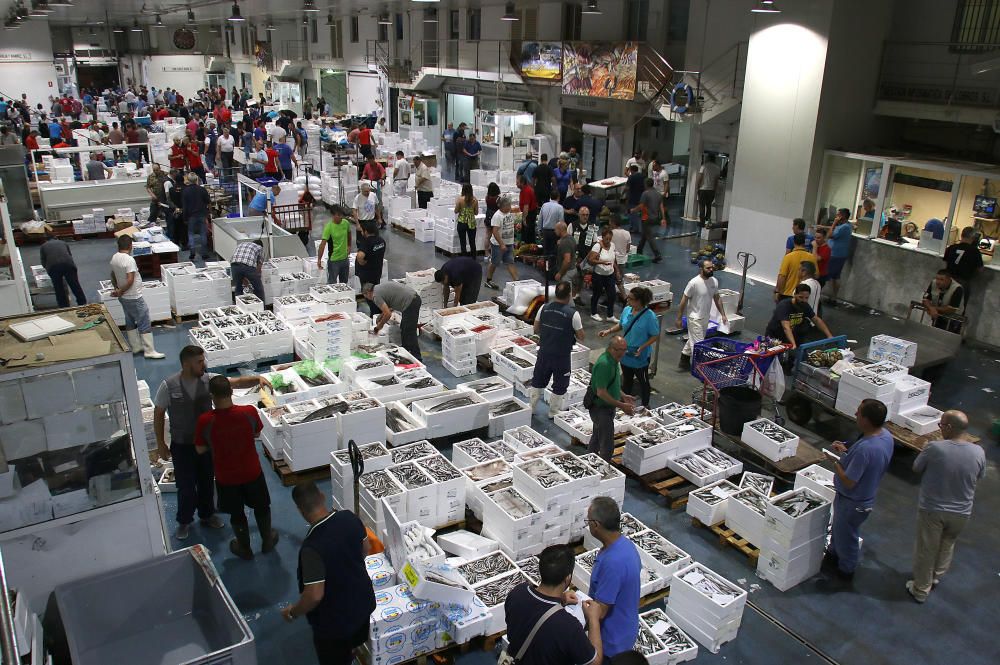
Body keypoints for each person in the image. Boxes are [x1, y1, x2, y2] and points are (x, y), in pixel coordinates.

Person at [153, 345, 268, 540]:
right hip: (182, 446)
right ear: (186, 364)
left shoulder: (209, 380)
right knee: (186, 486)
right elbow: (158, 413)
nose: (203, 364)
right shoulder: (168, 385)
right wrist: (161, 443)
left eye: (203, 360)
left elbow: (234, 382)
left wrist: (256, 379)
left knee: (207, 481)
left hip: (207, 445)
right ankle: (184, 521)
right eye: (199, 361)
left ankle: (207, 515)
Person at [283, 482, 376, 665]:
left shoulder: (311, 549)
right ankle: (352, 651)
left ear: (300, 510)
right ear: (322, 497)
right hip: (363, 605)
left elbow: (315, 595)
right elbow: (366, 548)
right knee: (355, 641)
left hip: (336, 626)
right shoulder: (349, 518)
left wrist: (293, 612)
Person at [194, 376, 278, 559]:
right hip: (252, 472)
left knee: (236, 512)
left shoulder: (205, 421)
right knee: (262, 507)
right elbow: (256, 431)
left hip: (226, 477)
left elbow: (200, 449)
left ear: (211, 396)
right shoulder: (248, 412)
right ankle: (267, 540)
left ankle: (244, 547)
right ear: (231, 392)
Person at [906, 410, 985, 604]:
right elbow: (980, 475)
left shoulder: (935, 448)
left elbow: (917, 467)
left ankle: (920, 590)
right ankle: (935, 576)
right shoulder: (978, 451)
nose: (939, 429)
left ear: (949, 427)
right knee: (947, 544)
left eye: (941, 425)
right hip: (962, 511)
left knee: (927, 549)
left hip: (934, 509)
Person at [825, 399, 894, 581]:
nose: (855, 414)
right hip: (861, 497)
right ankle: (833, 554)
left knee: (847, 537)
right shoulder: (885, 436)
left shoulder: (866, 448)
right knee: (840, 531)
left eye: (859, 412)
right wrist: (847, 452)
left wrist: (834, 461)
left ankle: (845, 571)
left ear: (867, 420)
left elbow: (849, 481)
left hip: (853, 501)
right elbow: (865, 463)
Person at [504, 545, 603, 665]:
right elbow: (595, 662)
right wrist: (593, 619)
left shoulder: (517, 593)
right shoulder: (569, 626)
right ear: (568, 579)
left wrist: (560, 598)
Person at [586, 496, 642, 659]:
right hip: (626, 629)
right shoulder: (626, 545)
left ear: (595, 525)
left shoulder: (612, 563)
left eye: (588, 520)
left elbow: (600, 612)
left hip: (611, 643)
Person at [530, 281, 585, 418]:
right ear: (570, 295)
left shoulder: (544, 307)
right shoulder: (573, 314)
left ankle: (531, 407)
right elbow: (581, 336)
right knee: (560, 383)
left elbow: (535, 329)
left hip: (544, 352)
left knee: (538, 379)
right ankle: (553, 412)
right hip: (561, 356)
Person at [599, 287, 659, 408]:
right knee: (627, 379)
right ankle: (626, 405)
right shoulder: (627, 310)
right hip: (625, 353)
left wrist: (643, 347)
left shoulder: (650, 316)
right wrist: (608, 331)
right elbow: (621, 325)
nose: (627, 300)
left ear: (639, 301)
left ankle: (645, 405)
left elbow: (655, 335)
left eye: (631, 299)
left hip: (640, 355)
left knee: (643, 381)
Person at [109, 235, 165, 359]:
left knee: (129, 319)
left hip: (124, 297)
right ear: (130, 246)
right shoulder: (129, 260)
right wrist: (121, 291)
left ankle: (135, 347)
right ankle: (149, 350)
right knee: (144, 320)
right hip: (134, 296)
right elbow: (130, 280)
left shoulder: (114, 258)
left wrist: (118, 290)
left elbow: (112, 275)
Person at [588, 336, 635, 460]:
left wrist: (623, 395)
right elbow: (601, 392)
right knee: (607, 446)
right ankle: (603, 472)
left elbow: (611, 383)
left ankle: (589, 462)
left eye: (624, 350)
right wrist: (622, 406)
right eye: (618, 349)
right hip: (601, 409)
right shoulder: (605, 364)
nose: (622, 353)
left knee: (597, 437)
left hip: (606, 408)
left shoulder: (613, 360)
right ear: (610, 348)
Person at [676, 260, 728, 371]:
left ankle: (683, 361)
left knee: (693, 339)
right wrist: (679, 318)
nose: (711, 270)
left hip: (705, 317)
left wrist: (723, 314)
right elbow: (683, 300)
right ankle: (700, 369)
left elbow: (717, 298)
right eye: (708, 268)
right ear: (701, 269)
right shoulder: (693, 283)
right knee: (699, 344)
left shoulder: (714, 281)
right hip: (694, 318)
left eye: (712, 267)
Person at [765, 283, 833, 349]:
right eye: (801, 297)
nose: (804, 300)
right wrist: (793, 344)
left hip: (790, 335)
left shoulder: (804, 305)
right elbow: (786, 327)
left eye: (806, 298)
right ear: (794, 294)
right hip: (775, 336)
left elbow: (816, 320)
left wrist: (829, 335)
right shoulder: (784, 305)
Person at [366, 281, 422, 361]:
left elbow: (388, 314)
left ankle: (417, 357)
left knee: (409, 331)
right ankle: (404, 351)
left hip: (410, 302)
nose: (368, 298)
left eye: (366, 296)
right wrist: (382, 315)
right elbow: (392, 302)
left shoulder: (375, 296)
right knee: (404, 327)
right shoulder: (379, 288)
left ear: (368, 292)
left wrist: (379, 326)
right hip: (413, 298)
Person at [39, 231, 86, 308]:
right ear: (56, 237)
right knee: (74, 284)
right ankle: (82, 302)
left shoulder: (43, 246)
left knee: (58, 288)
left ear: (45, 239)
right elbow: (69, 255)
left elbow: (43, 261)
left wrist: (49, 270)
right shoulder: (63, 243)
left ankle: (63, 306)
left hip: (54, 267)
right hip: (68, 265)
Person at [485, 195, 520, 290]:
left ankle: (517, 281)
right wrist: (501, 244)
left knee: (510, 262)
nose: (510, 207)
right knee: (494, 262)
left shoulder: (508, 213)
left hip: (508, 243)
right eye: (508, 206)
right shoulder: (497, 216)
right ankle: (488, 280)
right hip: (498, 245)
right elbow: (495, 231)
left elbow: (509, 225)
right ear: (503, 206)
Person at [943, 226, 982, 308]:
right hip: (963, 282)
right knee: (958, 308)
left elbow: (946, 263)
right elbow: (979, 269)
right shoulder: (974, 251)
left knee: (944, 304)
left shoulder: (951, 248)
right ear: (973, 237)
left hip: (948, 280)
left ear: (961, 235)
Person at [588, 226, 620, 323]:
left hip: (610, 274)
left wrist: (617, 271)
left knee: (612, 294)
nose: (608, 241)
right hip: (599, 275)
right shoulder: (597, 246)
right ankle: (593, 313)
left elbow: (613, 260)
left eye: (610, 239)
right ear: (602, 237)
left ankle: (610, 315)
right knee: (597, 294)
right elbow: (590, 260)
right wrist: (601, 262)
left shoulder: (613, 245)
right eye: (606, 239)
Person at [355, 222, 386, 312]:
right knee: (376, 292)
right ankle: (379, 311)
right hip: (376, 272)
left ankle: (375, 313)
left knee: (369, 295)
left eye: (362, 231)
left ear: (366, 231)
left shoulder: (367, 242)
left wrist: (362, 263)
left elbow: (360, 256)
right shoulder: (381, 241)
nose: (361, 233)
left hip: (366, 274)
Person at [824, 208, 853, 303]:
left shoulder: (844, 227)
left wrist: (834, 223)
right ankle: (833, 297)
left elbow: (830, 235)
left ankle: (832, 297)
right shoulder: (846, 226)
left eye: (838, 215)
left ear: (843, 216)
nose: (836, 217)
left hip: (836, 255)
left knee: (827, 275)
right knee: (835, 277)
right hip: (838, 254)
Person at [181, 172, 211, 262]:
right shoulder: (202, 190)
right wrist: (208, 213)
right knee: (203, 233)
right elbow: (208, 201)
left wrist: (185, 217)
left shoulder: (185, 191)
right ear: (196, 179)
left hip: (191, 216)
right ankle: (204, 253)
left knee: (190, 234)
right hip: (202, 214)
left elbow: (185, 206)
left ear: (188, 180)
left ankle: (192, 251)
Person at [317, 205, 351, 284]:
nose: (341, 217)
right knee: (332, 283)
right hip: (334, 261)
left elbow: (349, 234)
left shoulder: (346, 223)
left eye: (341, 215)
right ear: (333, 215)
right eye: (338, 215)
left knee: (344, 283)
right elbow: (322, 245)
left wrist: (349, 246)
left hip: (345, 259)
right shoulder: (329, 227)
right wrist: (319, 259)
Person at [633, 178, 664, 262]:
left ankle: (657, 254)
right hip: (655, 218)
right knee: (645, 234)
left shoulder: (645, 193)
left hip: (646, 218)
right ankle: (639, 250)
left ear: (646, 184)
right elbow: (661, 207)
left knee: (649, 236)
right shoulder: (658, 194)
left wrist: (633, 210)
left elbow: (641, 206)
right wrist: (663, 218)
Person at [775, 232, 813, 300]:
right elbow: (816, 275)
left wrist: (777, 291)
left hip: (788, 293)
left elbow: (782, 276)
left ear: (794, 242)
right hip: (803, 295)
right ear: (804, 243)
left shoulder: (788, 257)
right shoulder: (811, 257)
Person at [455, 182, 479, 257]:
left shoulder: (460, 199)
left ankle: (464, 259)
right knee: (472, 242)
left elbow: (456, 211)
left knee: (463, 242)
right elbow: (476, 213)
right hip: (471, 223)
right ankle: (474, 258)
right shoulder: (475, 200)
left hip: (462, 222)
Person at [539, 188, 565, 259]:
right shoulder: (560, 207)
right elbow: (561, 222)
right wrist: (562, 234)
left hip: (545, 231)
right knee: (554, 251)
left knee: (546, 250)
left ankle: (545, 266)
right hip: (555, 232)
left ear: (550, 196)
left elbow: (540, 219)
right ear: (558, 197)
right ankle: (552, 267)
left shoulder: (544, 205)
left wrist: (539, 230)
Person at [696, 154, 721, 226]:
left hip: (703, 189)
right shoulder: (717, 168)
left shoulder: (703, 166)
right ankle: (707, 221)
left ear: (708, 158)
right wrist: (715, 190)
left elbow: (700, 178)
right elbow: (716, 180)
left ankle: (702, 222)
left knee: (702, 206)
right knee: (709, 205)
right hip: (711, 190)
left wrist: (697, 187)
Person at [518, 174, 540, 245]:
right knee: (529, 232)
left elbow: (526, 207)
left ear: (522, 183)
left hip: (529, 214)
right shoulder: (526, 189)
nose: (516, 184)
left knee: (527, 233)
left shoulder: (526, 191)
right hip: (530, 213)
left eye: (517, 182)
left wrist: (524, 219)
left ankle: (528, 249)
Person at [624, 165, 645, 232]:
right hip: (641, 197)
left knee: (632, 213)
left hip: (632, 197)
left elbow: (627, 188)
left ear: (632, 170)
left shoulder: (631, 177)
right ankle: (639, 227)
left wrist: (622, 194)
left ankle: (634, 228)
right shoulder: (642, 176)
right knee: (640, 213)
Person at [483, 182, 501, 257]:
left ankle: (486, 252)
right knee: (497, 235)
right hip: (496, 218)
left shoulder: (487, 197)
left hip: (488, 217)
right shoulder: (498, 199)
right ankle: (496, 252)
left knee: (488, 235)